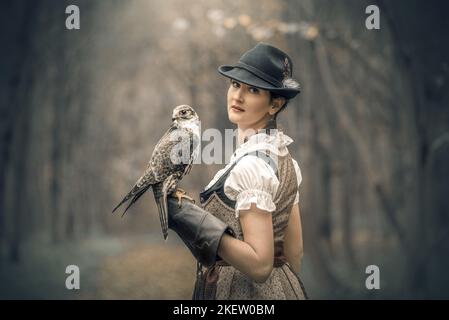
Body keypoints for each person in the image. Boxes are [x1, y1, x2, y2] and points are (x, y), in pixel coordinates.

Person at [167, 42, 307, 300]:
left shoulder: (252, 166)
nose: (237, 96)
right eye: (235, 85)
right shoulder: (285, 160)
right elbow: (294, 251)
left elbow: (261, 266)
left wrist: (197, 225)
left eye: (253, 90)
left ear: (274, 105)